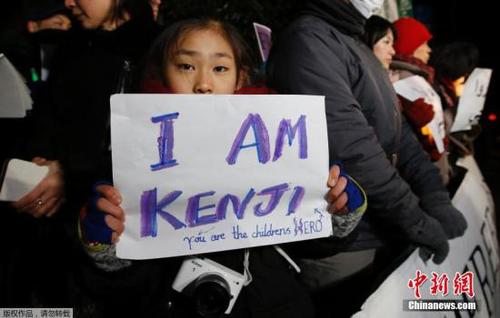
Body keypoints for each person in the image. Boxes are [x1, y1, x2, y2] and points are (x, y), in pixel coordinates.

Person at [79, 18, 367, 318]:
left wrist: (339, 210)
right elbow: (118, 281)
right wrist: (105, 245)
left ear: (240, 78)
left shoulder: (279, 141)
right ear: (161, 71)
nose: (203, 84)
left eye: (220, 69)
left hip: (274, 304)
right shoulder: (132, 153)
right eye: (186, 66)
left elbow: (312, 242)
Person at [267, 0, 467, 313]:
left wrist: (434, 196)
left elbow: (399, 134)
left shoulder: (352, 40)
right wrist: (415, 220)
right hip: (345, 247)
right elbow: (355, 150)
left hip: (381, 229)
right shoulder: (309, 41)